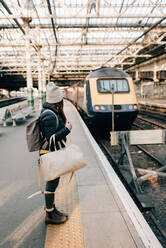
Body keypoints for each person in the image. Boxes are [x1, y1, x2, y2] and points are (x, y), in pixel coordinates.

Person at [39, 82, 72, 225]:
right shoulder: (50, 115)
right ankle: (50, 214)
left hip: (51, 154)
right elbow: (50, 139)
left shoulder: (50, 111)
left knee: (53, 182)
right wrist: (67, 129)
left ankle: (52, 209)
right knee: (51, 184)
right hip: (50, 154)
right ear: (57, 100)